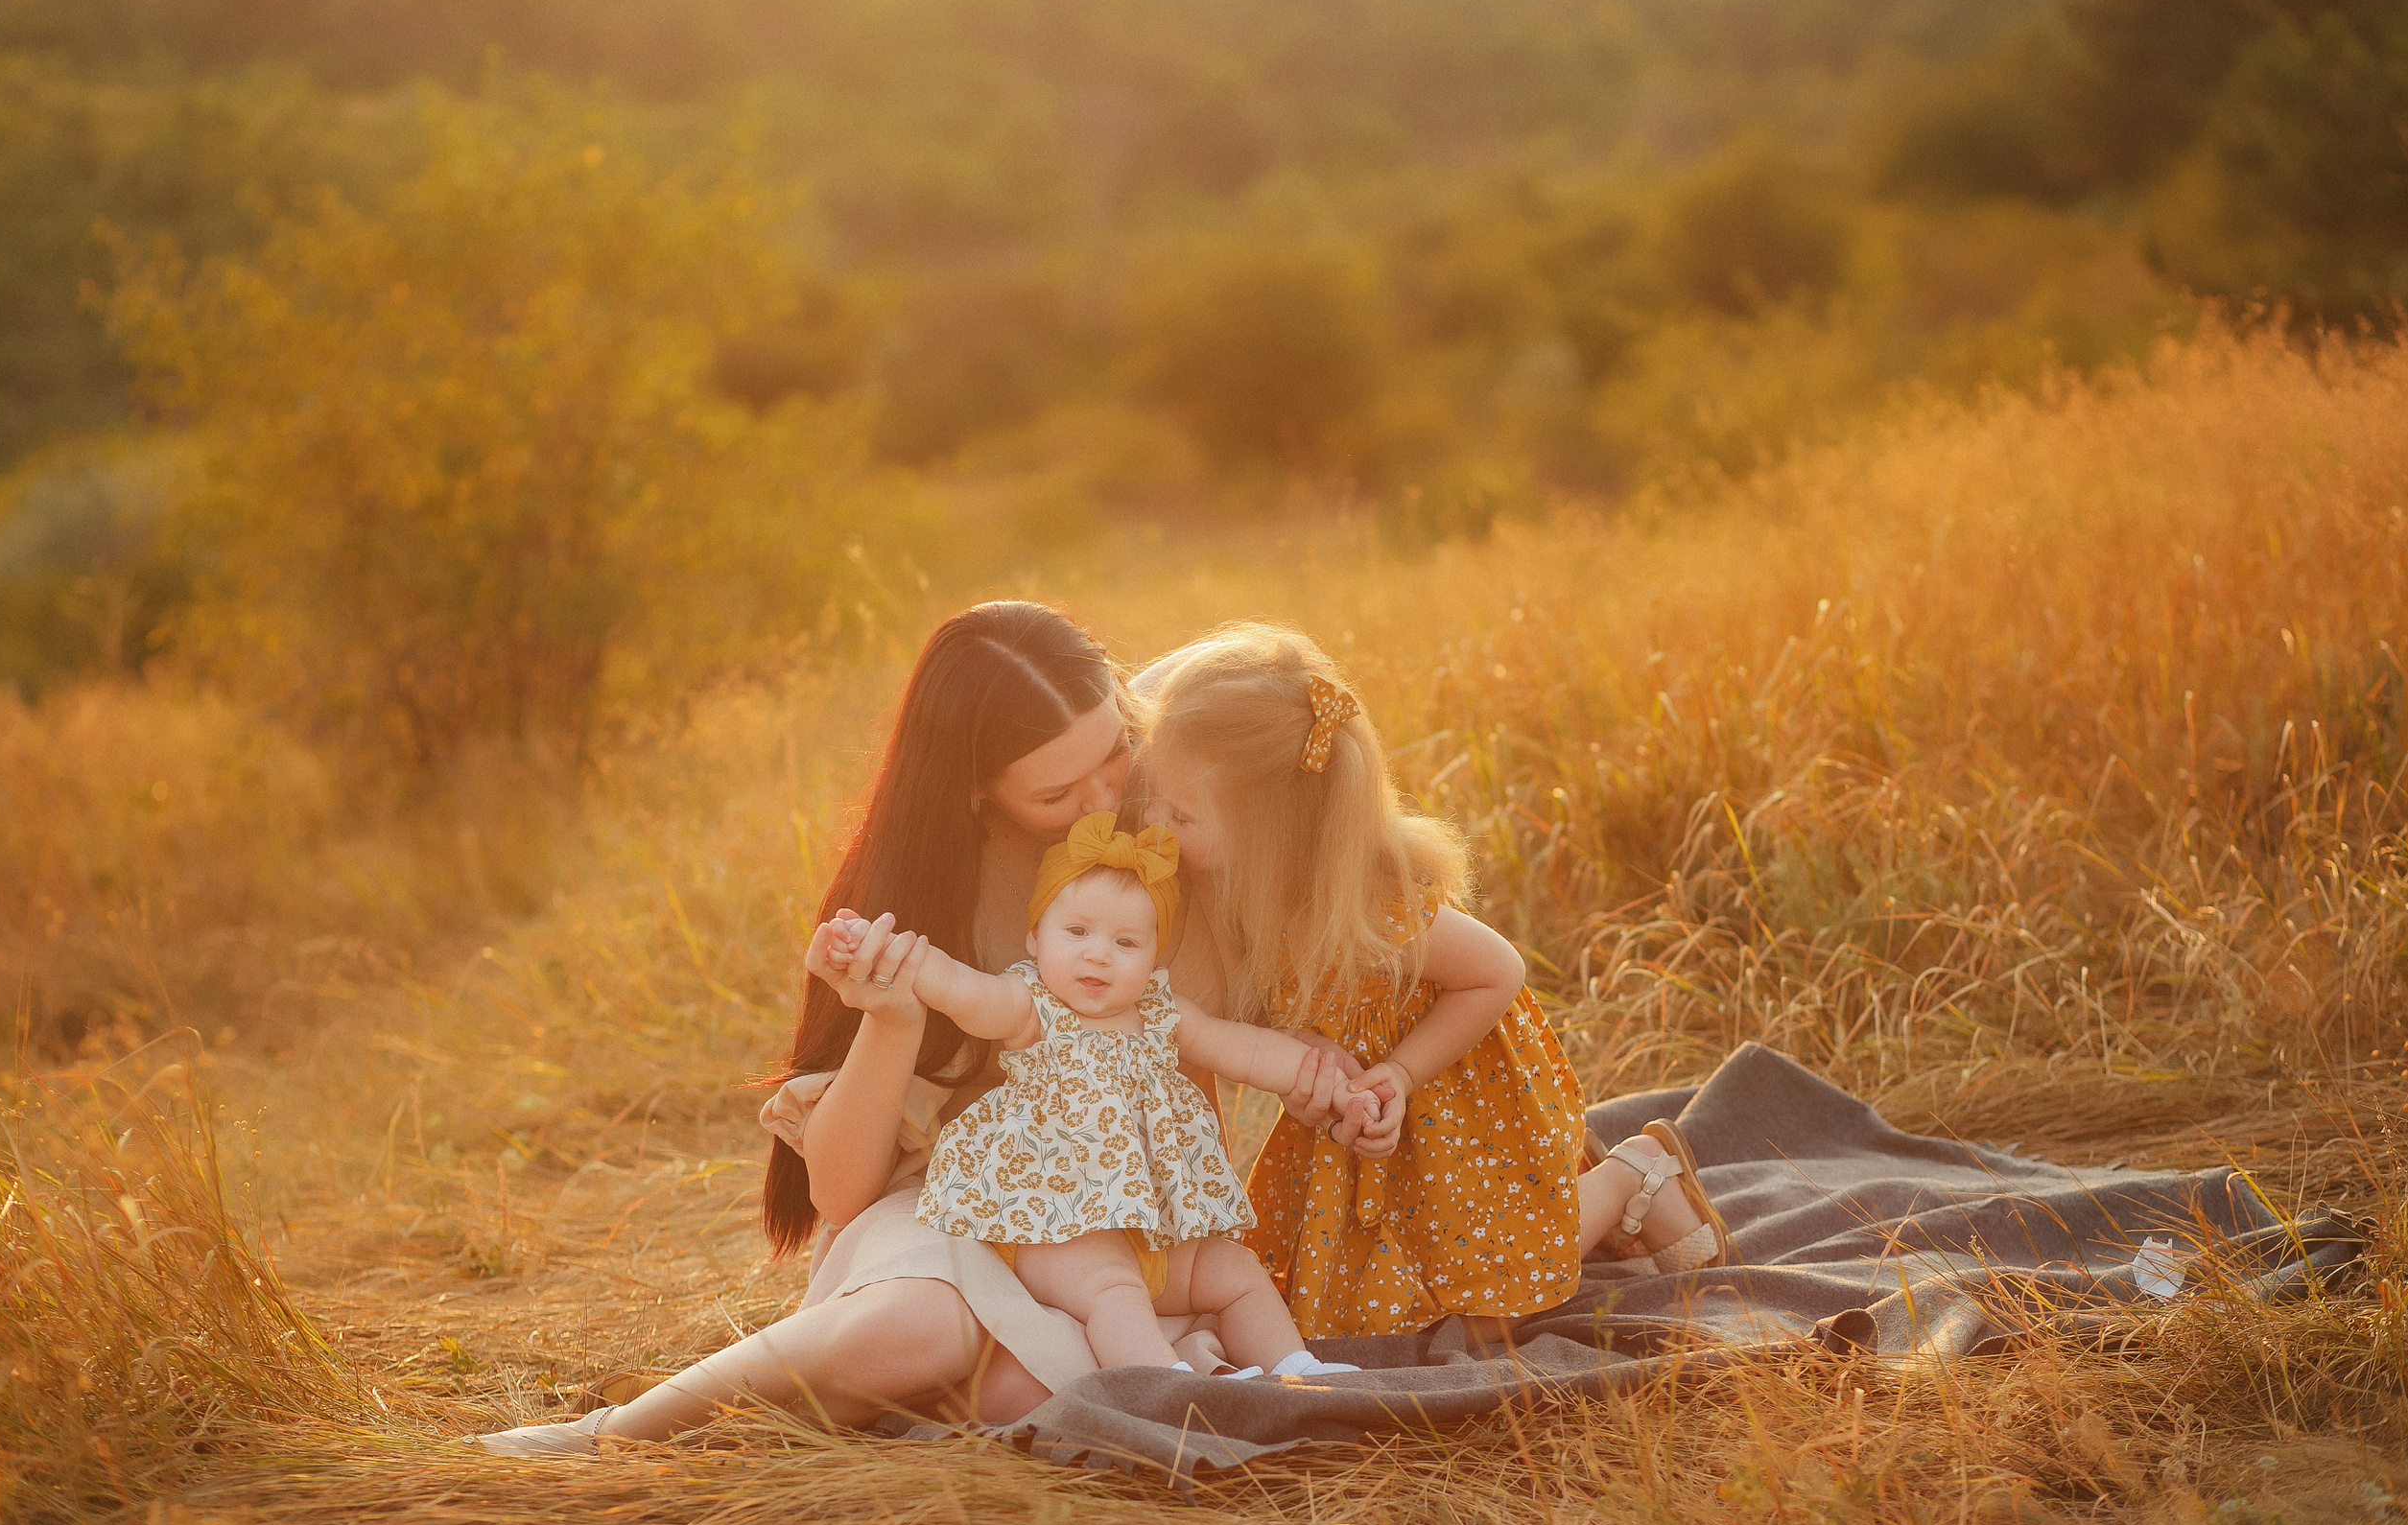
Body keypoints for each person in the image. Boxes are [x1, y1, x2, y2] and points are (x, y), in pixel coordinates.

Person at [473, 601, 1363, 1458]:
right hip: (947, 1206)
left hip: (1118, 1222)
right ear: (977, 790)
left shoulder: (1169, 817)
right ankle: (613, 1432)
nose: (1106, 796)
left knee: (1051, 1379)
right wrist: (892, 1023)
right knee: (921, 1332)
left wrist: (1352, 1075)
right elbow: (841, 1196)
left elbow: (1297, 802)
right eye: (1058, 789)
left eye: (1115, 749)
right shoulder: (911, 897)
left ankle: (935, 1392)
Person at [1136, 623, 1735, 1341]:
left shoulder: (1373, 906)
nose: (1155, 825)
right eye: (1155, 800)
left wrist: (1398, 1071)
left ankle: (1632, 1174)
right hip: (1368, 1131)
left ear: (1269, 830)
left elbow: (1497, 972)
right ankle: (1567, 1215)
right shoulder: (1236, 893)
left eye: (1180, 814)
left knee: (1485, 1313)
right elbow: (1272, 1012)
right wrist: (1306, 1061)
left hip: (1453, 1099)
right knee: (1348, 1315)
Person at [821, 813, 1369, 1377]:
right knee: (1116, 1292)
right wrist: (884, 951)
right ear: (1035, 938)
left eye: (1125, 942)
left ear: (1154, 956)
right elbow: (961, 989)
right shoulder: (1032, 1006)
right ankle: (1169, 1389)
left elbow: (1249, 1052)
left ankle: (1298, 1368)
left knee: (1237, 1273)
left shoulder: (1162, 1013)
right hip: (1056, 1228)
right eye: (1076, 932)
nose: (1098, 954)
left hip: (1156, 1228)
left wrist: (1326, 1079)